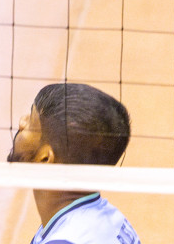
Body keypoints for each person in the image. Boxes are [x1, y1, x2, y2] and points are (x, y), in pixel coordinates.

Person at [9, 83, 140, 244]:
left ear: (45, 159)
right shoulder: (110, 218)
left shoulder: (65, 238)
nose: (22, 122)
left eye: (30, 121)